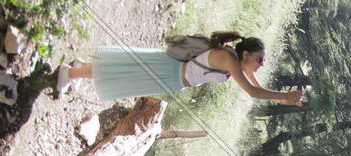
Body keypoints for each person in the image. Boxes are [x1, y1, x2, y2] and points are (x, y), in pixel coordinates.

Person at [57, 31, 304, 106]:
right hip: (170, 71)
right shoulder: (228, 60)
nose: (261, 65)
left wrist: (282, 100)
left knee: (124, 69)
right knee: (122, 72)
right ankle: (67, 73)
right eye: (260, 60)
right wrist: (285, 97)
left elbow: (253, 82)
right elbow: (252, 91)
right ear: (247, 54)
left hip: (174, 75)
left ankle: (77, 69)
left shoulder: (236, 62)